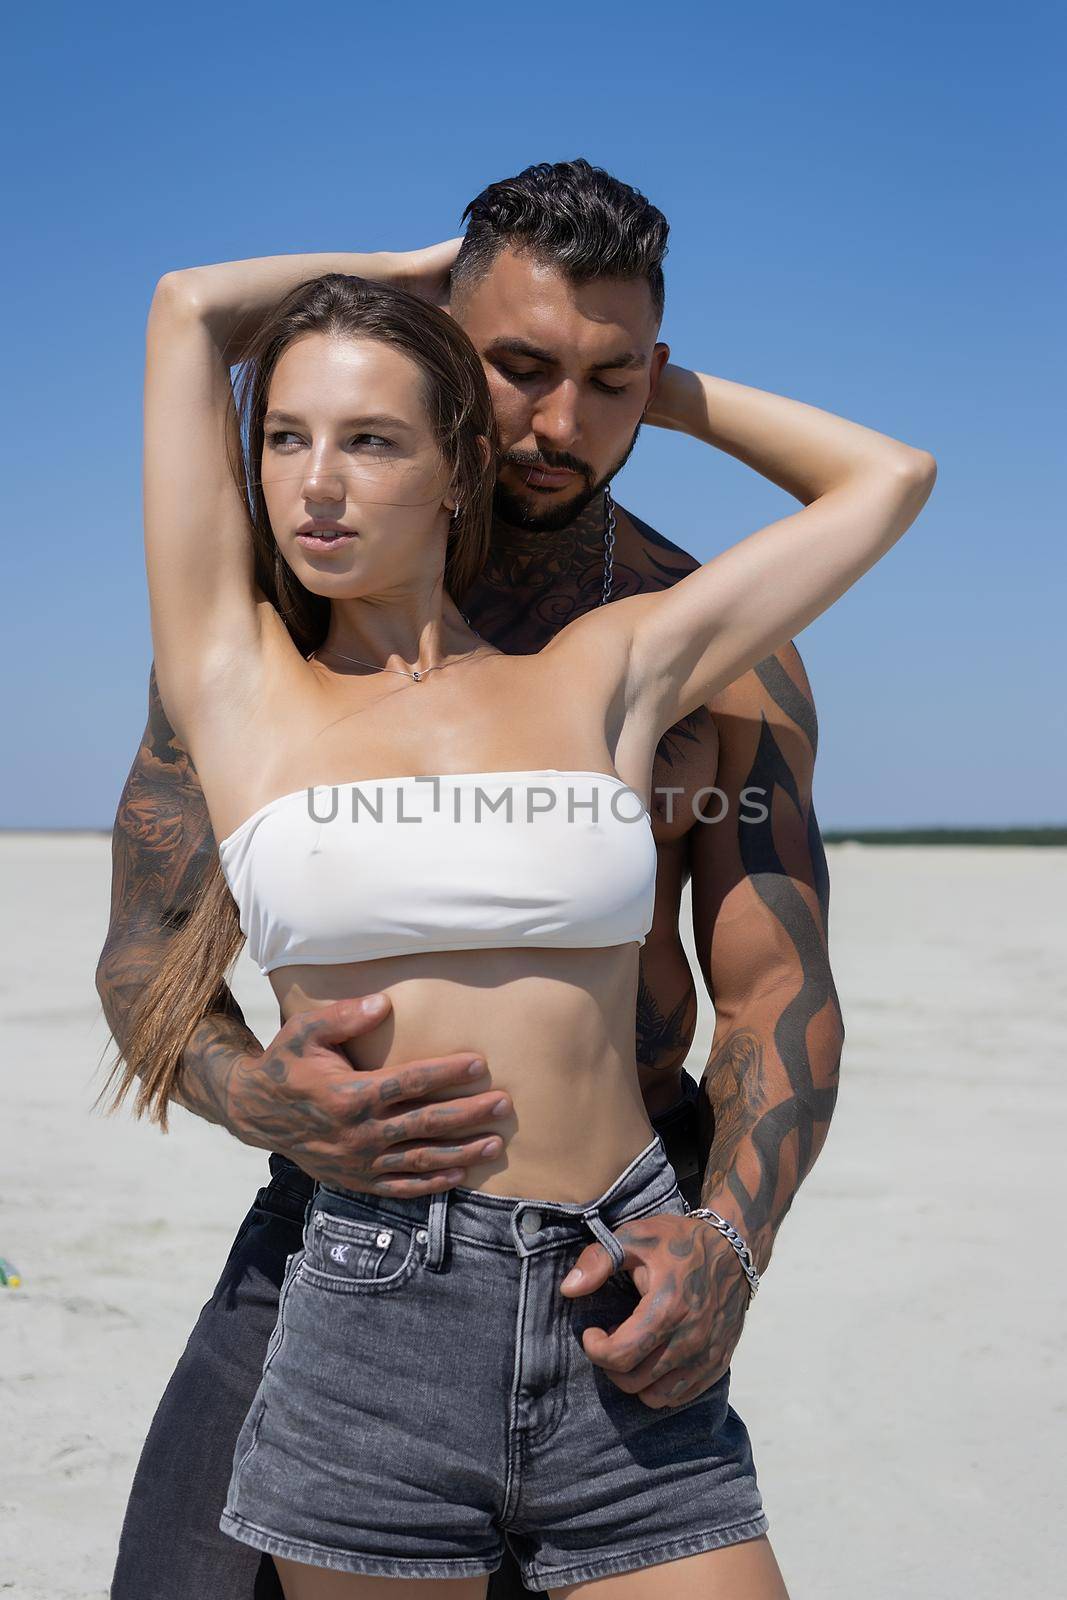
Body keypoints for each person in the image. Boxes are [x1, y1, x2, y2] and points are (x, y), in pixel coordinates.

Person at [98, 162, 934, 1596]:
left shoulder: (670, 645)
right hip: (344, 1228)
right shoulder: (260, 661)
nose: (560, 421)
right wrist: (264, 1100)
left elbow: (779, 985)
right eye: (520, 367)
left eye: (609, 380)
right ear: (448, 362)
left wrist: (726, 1241)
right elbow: (144, 952)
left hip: (626, 1236)